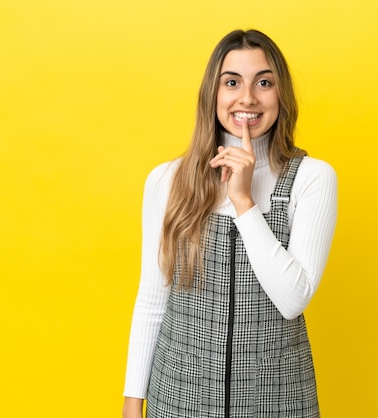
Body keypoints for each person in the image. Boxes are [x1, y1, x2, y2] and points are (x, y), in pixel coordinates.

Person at [122, 29, 337, 418]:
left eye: (264, 82)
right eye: (232, 82)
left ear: (281, 95)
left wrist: (243, 200)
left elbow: (293, 300)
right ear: (213, 94)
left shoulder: (312, 178)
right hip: (178, 397)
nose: (248, 98)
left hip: (278, 399)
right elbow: (153, 297)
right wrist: (132, 401)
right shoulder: (167, 180)